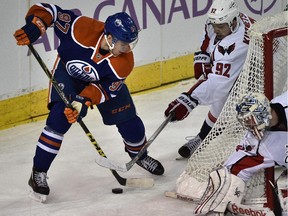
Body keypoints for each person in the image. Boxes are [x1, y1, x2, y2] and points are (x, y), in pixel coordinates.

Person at [14, 3, 164, 199]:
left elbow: (104, 90)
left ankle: (140, 156)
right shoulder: (80, 28)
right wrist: (37, 25)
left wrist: (82, 101)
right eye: (124, 44)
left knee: (130, 122)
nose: (128, 49)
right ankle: (38, 173)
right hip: (68, 75)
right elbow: (52, 11)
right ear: (110, 38)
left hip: (101, 84)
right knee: (58, 119)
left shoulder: (125, 62)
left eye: (131, 44)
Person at [164, 0, 256, 158]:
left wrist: (189, 100)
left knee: (245, 107)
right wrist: (203, 55)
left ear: (233, 22)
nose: (216, 29)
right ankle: (202, 138)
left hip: (262, 70)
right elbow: (209, 35)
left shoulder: (236, 46)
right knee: (221, 103)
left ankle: (262, 149)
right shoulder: (225, 20)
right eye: (215, 25)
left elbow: (217, 85)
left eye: (221, 27)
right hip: (247, 62)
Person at [194, 91, 288, 215]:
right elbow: (234, 169)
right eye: (246, 121)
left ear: (263, 114)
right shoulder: (257, 141)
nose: (249, 125)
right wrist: (223, 188)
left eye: (251, 119)